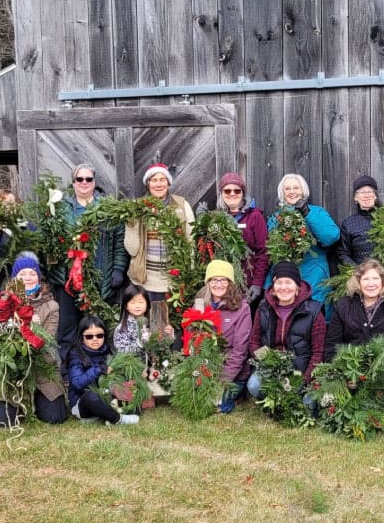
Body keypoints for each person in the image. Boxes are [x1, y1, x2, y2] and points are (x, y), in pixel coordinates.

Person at [49, 162, 130, 360]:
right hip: (68, 281)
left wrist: (118, 269)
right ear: (73, 182)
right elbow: (51, 240)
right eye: (79, 179)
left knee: (97, 326)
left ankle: (101, 369)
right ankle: (68, 371)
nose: (84, 182)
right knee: (67, 329)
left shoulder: (108, 208)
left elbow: (120, 240)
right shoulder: (60, 209)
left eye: (88, 179)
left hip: (100, 279)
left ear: (94, 182)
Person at [0, 252, 68, 427]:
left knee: (55, 417)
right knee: (4, 421)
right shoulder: (3, 303)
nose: (28, 278)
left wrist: (34, 328)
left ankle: (41, 398)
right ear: (14, 279)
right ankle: (16, 400)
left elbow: (46, 339)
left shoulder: (51, 306)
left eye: (32, 273)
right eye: (22, 274)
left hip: (42, 366)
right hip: (13, 368)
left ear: (39, 278)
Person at [125, 163, 195, 333]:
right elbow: (132, 249)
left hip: (173, 280)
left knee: (169, 326)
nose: (158, 184)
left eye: (162, 179)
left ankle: (169, 357)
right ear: (148, 184)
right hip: (147, 279)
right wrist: (133, 224)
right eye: (154, 180)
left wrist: (189, 273)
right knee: (149, 325)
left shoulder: (181, 206)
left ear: (168, 183)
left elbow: (191, 240)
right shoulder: (139, 207)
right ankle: (149, 357)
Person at [247, 261, 327, 399]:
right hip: (272, 367)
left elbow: (318, 352)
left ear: (297, 286)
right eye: (279, 282)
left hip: (300, 368)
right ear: (273, 287)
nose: (284, 287)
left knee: (304, 399)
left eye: (289, 282)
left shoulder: (313, 311)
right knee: (254, 385)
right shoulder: (264, 308)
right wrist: (268, 362)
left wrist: (304, 380)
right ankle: (275, 395)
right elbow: (254, 341)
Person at [267, 173, 340, 312]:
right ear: (282, 192)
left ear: (303, 191)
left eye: (296, 188)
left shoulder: (316, 212)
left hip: (313, 274)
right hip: (284, 277)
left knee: (313, 316)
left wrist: (306, 213)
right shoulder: (276, 217)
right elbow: (270, 248)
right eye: (287, 189)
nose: (292, 192)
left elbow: (331, 237)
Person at [192, 259, 252, 412]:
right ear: (208, 282)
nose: (218, 284)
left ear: (230, 283)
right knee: (195, 400)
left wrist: (222, 382)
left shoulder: (242, 309)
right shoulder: (200, 304)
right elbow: (192, 338)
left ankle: (234, 395)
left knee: (218, 405)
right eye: (214, 280)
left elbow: (240, 351)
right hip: (206, 368)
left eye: (223, 280)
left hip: (230, 372)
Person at [66, 316, 139, 425]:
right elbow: (77, 383)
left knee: (132, 395)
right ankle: (118, 419)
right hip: (82, 403)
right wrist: (99, 369)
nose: (95, 339)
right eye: (89, 336)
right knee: (91, 397)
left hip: (107, 396)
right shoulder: (75, 355)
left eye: (99, 335)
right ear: (82, 337)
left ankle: (102, 416)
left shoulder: (110, 351)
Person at [326, 259, 384, 352]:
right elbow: (332, 344)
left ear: (383, 281)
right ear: (358, 282)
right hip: (349, 363)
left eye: (375, 279)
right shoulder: (343, 305)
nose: (371, 284)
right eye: (365, 279)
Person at [215, 171, 268, 308]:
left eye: (237, 190)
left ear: (243, 193)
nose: (232, 194)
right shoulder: (216, 218)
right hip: (222, 284)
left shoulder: (255, 217)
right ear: (222, 194)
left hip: (247, 284)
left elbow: (264, 252)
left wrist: (257, 283)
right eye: (227, 190)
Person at [336, 175, 380, 266]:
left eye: (370, 192)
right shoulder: (348, 224)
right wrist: (358, 271)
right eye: (362, 192)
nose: (366, 195)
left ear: (375, 196)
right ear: (355, 198)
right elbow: (343, 253)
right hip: (361, 274)